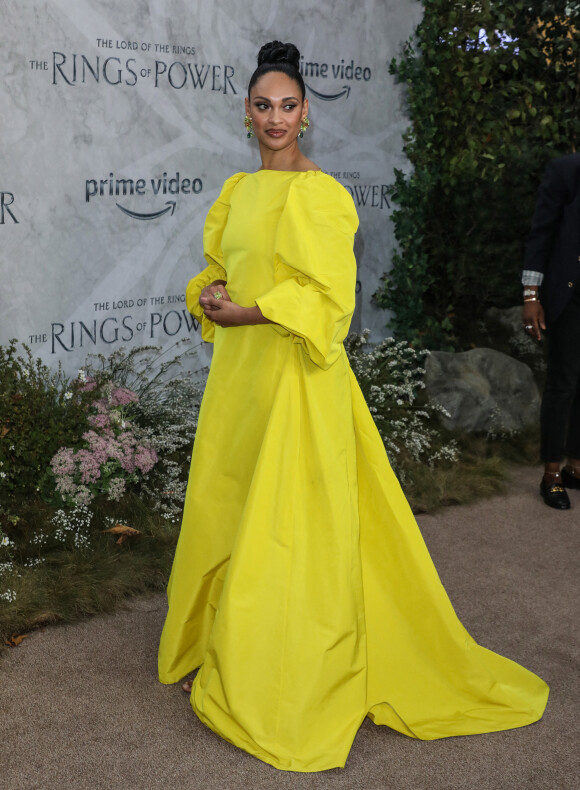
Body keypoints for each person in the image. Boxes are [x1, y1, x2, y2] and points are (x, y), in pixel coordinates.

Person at [158, 41, 549, 772]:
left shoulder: (321, 194)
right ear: (248, 113)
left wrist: (248, 313)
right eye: (263, 105)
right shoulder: (237, 191)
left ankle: (280, 672)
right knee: (232, 507)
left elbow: (328, 301)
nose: (276, 117)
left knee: (289, 528)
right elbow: (223, 266)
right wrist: (207, 296)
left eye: (288, 105)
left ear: (306, 114)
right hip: (239, 384)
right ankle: (218, 644)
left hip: (297, 381)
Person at [522, 152, 580, 510]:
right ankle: (552, 473)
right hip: (569, 296)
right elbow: (540, 233)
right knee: (563, 381)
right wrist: (531, 295)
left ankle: (576, 465)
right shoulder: (566, 170)